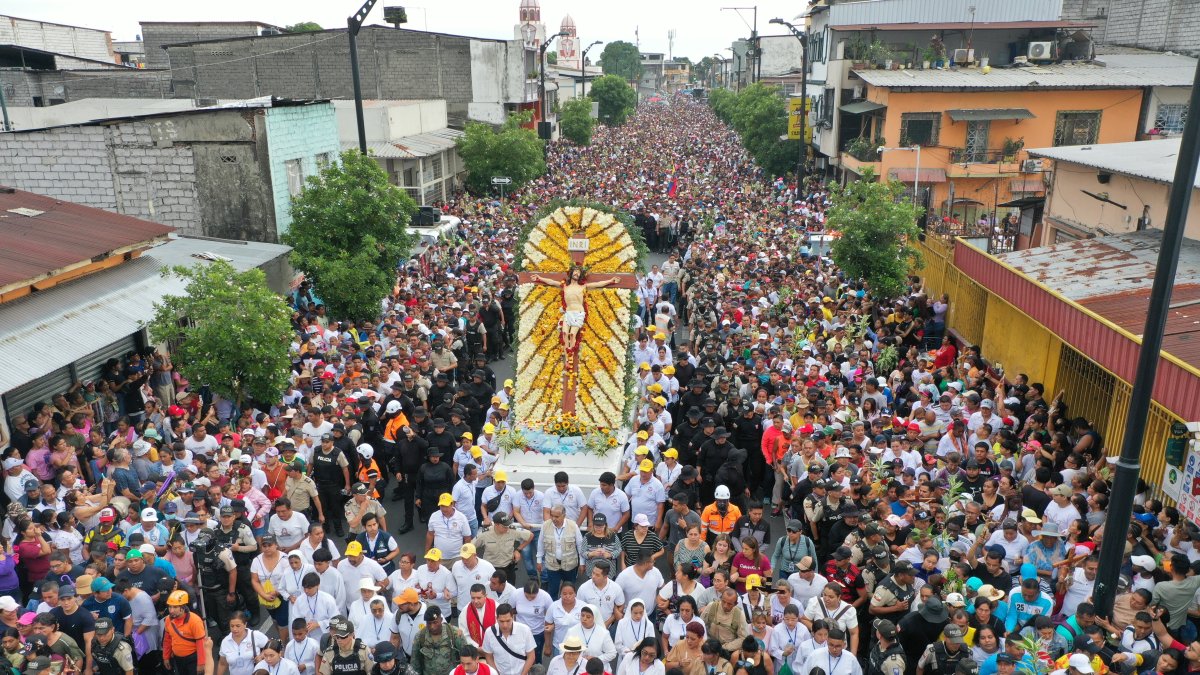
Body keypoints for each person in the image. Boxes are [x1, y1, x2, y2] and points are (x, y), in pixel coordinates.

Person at [481, 603, 536, 675]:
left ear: (513, 617)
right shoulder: (489, 632)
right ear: (496, 618)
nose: (505, 625)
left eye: (508, 621)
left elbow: (531, 656)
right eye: (501, 621)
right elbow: (489, 657)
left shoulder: (525, 630)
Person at [162, 591, 207, 675]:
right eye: (170, 607)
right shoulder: (168, 619)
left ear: (183, 607)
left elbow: (201, 643)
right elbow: (167, 639)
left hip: (193, 659)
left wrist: (201, 663)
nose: (171, 611)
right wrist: (166, 657)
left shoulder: (195, 621)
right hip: (177, 659)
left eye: (175, 607)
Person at [411, 606, 465, 675]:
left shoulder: (454, 633)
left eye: (435, 622)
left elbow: (466, 655)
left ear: (441, 620)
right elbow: (415, 662)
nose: (432, 627)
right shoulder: (420, 636)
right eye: (429, 623)